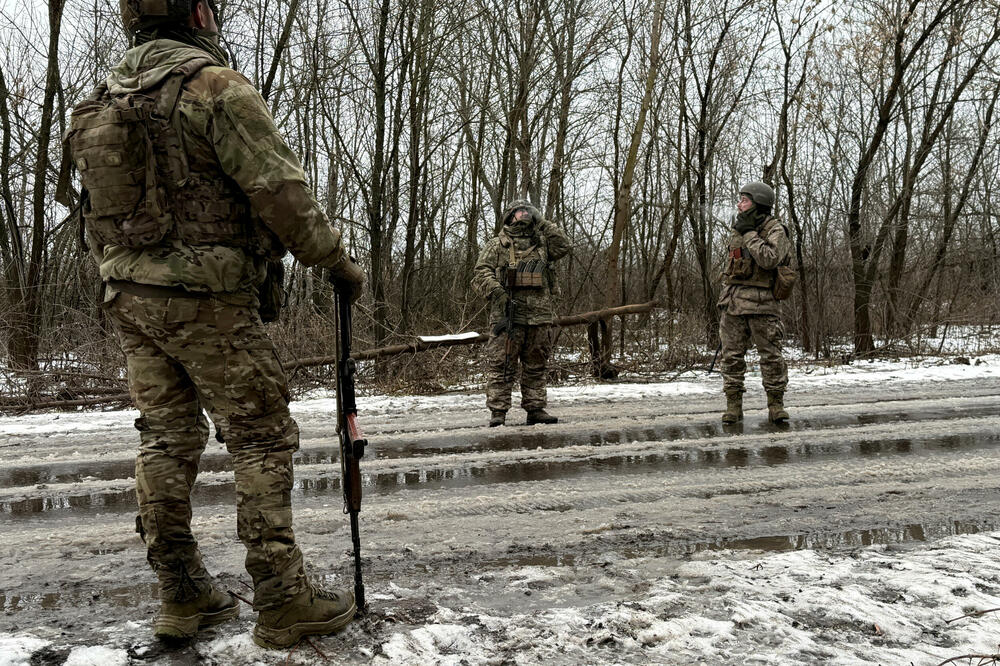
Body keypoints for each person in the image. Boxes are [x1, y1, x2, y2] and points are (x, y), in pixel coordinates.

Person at [65, 0, 364, 648]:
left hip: (129, 295)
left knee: (166, 441)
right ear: (197, 12)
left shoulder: (101, 105)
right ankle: (283, 598)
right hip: (206, 296)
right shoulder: (213, 88)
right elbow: (281, 192)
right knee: (260, 434)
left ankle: (183, 593)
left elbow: (94, 218)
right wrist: (336, 263)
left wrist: (128, 277)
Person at [472, 200, 571, 427]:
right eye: (518, 212)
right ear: (509, 216)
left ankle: (535, 408)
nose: (523, 214)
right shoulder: (497, 245)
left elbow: (564, 245)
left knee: (536, 365)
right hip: (507, 317)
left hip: (539, 316)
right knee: (502, 365)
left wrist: (543, 222)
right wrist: (497, 292)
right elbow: (480, 272)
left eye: (527, 211)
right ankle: (498, 412)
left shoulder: (542, 243)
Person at [717, 182, 792, 424]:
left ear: (758, 203)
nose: (739, 204)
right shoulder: (738, 229)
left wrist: (749, 233)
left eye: (744, 200)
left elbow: (769, 260)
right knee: (731, 357)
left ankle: (776, 406)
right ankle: (733, 406)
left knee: (771, 357)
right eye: (739, 200)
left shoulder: (776, 230)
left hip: (764, 304)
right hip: (734, 303)